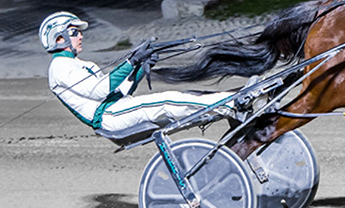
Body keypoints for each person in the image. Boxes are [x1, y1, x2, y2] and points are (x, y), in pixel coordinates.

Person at [39, 11, 233, 133]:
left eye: (80, 32)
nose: (80, 36)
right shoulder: (60, 67)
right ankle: (230, 103)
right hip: (110, 116)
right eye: (74, 33)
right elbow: (100, 91)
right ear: (58, 39)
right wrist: (131, 61)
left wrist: (140, 68)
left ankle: (225, 101)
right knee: (166, 100)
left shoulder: (77, 64)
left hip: (117, 108)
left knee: (172, 100)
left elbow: (120, 91)